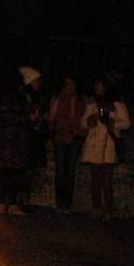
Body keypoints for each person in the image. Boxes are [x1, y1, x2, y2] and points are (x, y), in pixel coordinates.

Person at [80, 77, 129, 222]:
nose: (96, 88)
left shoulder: (117, 105)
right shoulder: (92, 105)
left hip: (108, 146)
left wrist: (113, 123)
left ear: (106, 87)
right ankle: (96, 208)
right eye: (95, 86)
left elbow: (126, 123)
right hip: (94, 145)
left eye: (98, 86)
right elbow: (83, 122)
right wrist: (90, 121)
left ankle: (108, 211)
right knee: (95, 180)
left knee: (107, 181)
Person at [0, 69, 32, 216]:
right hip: (8, 142)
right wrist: (26, 119)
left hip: (15, 142)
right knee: (7, 173)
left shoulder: (20, 97)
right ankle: (2, 203)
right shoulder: (7, 97)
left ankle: (11, 203)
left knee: (14, 174)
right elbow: (6, 116)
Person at [49, 75, 84, 212]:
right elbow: (53, 118)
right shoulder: (58, 98)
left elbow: (83, 120)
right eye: (66, 83)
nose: (68, 86)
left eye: (71, 83)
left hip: (75, 138)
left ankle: (67, 203)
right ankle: (59, 203)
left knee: (70, 171)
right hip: (60, 137)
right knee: (60, 170)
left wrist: (77, 132)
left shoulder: (81, 100)